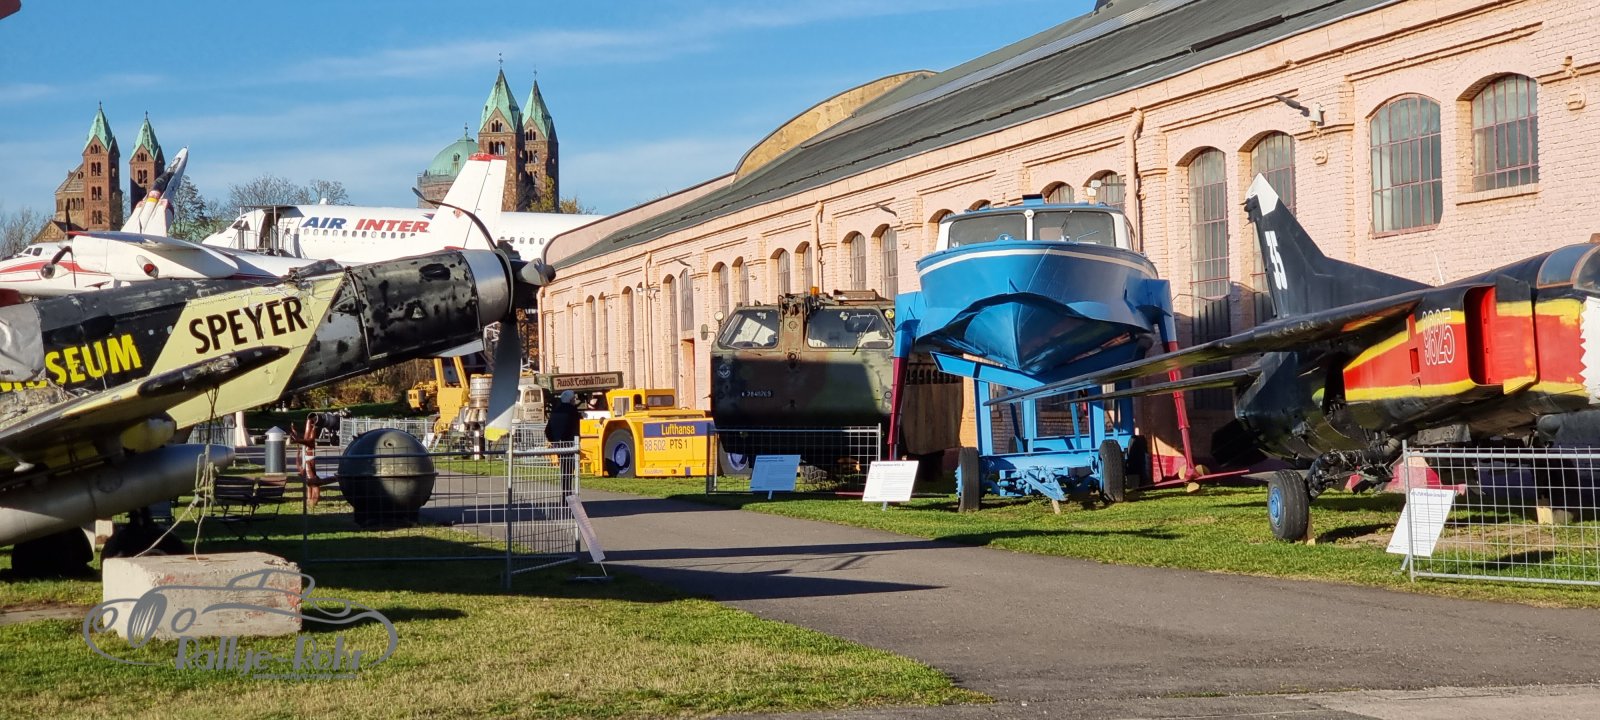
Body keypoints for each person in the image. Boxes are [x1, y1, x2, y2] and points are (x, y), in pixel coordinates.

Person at [544, 390, 581, 496]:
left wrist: (554, 441)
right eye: (573, 399)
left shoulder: (555, 411)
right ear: (570, 400)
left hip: (559, 445)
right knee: (569, 471)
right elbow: (573, 428)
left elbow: (547, 430)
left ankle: (565, 494)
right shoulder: (573, 412)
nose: (574, 401)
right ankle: (568, 495)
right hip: (570, 444)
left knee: (564, 470)